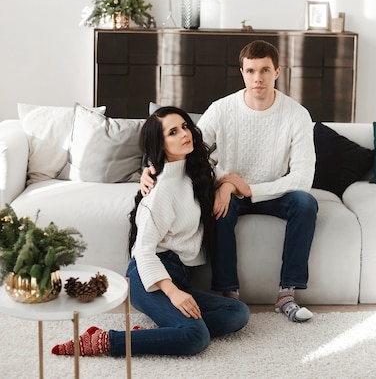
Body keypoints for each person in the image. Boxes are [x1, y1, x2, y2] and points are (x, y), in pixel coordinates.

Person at [141, 41, 318, 323]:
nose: (257, 78)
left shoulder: (297, 114)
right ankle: (229, 293)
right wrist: (152, 168)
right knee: (218, 208)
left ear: (277, 72)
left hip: (273, 192)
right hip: (230, 192)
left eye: (264, 70)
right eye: (250, 71)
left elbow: (302, 178)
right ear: (242, 72)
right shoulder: (222, 109)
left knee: (306, 203)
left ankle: (287, 294)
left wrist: (250, 189)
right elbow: (190, 148)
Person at [52, 106, 249, 358]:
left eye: (185, 127)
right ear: (160, 143)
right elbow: (142, 251)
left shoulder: (198, 171)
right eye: (173, 132)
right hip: (148, 279)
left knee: (237, 313)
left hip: (178, 275)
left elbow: (242, 186)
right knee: (196, 338)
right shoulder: (160, 191)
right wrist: (173, 292)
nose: (184, 134)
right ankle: (103, 340)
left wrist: (226, 187)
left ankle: (164, 332)